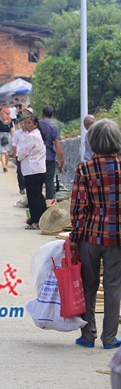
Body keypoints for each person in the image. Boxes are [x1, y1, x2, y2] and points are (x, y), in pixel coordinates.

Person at [69, 119, 121, 349]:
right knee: (113, 286)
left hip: (89, 238)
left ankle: (88, 336)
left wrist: (74, 238)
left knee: (88, 286)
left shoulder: (84, 169)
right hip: (116, 238)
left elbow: (78, 208)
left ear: (93, 141)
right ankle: (109, 339)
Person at [16, 116, 47, 230]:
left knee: (33, 197)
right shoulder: (38, 134)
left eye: (29, 123)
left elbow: (22, 153)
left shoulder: (31, 136)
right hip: (39, 169)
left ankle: (36, 220)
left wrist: (19, 158)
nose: (26, 125)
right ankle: (43, 219)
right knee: (38, 195)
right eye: (25, 123)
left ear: (36, 124)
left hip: (32, 170)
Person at [38, 105, 65, 203]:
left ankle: (38, 203)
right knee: (49, 181)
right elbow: (57, 144)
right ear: (52, 115)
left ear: (42, 113)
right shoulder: (54, 127)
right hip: (49, 157)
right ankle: (50, 204)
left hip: (36, 157)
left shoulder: (36, 125)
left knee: (37, 181)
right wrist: (61, 160)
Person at [11, 122, 26, 194]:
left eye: (24, 123)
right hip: (19, 154)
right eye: (21, 123)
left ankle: (27, 186)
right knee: (20, 171)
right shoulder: (17, 133)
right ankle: (21, 187)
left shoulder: (31, 133)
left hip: (29, 155)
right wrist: (14, 156)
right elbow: (14, 144)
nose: (23, 125)